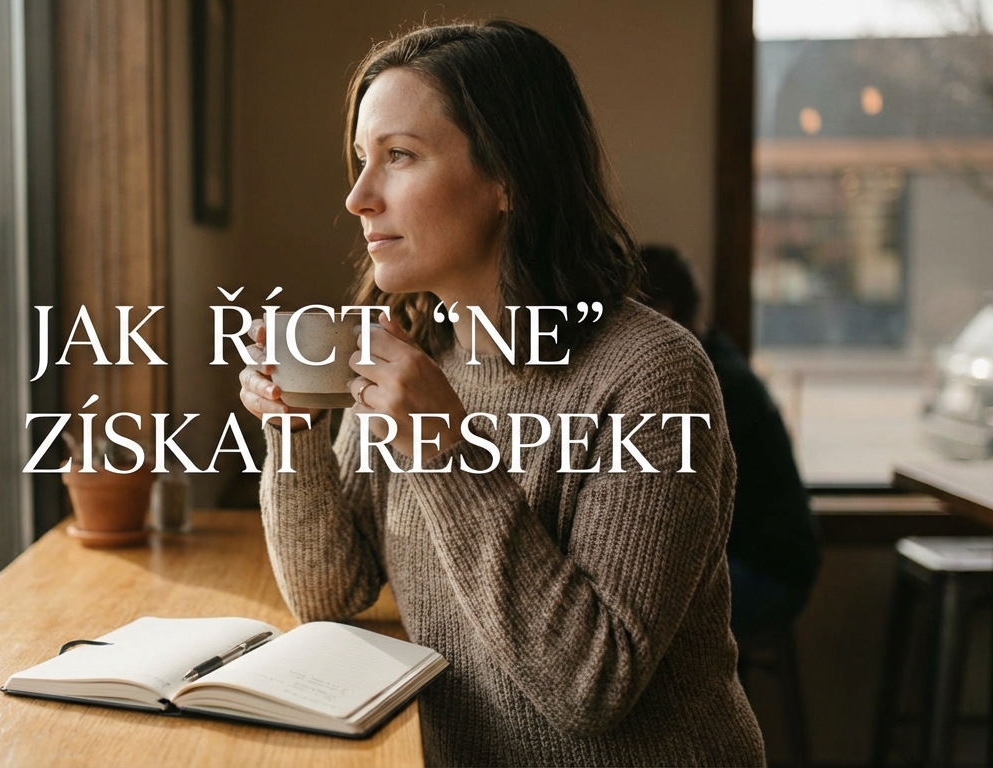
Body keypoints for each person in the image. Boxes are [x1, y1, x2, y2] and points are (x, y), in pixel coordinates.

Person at [238, 20, 766, 766]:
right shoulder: (413, 349)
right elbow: (332, 592)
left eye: (399, 157)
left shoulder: (653, 374)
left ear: (507, 178)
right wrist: (292, 431)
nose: (359, 197)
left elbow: (592, 684)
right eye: (362, 160)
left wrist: (447, 452)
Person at [639, 244, 821, 643]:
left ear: (661, 314)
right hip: (765, 560)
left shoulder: (704, 383)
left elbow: (668, 512)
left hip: (766, 572)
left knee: (636, 624)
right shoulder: (714, 360)